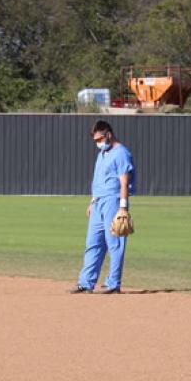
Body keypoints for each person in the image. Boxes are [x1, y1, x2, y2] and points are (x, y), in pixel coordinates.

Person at [70, 120, 136, 294]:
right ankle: (86, 283)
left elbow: (124, 181)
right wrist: (92, 201)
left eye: (99, 139)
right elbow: (99, 180)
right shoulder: (103, 154)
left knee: (114, 243)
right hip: (99, 202)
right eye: (95, 140)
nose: (97, 143)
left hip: (113, 201)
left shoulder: (121, 153)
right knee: (92, 243)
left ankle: (113, 283)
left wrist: (123, 207)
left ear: (108, 134)